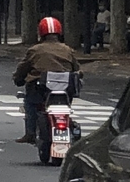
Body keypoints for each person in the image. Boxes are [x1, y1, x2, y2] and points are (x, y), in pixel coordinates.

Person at [13, 16, 89, 144]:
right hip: (65, 88)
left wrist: (18, 79)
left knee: (30, 104)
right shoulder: (67, 50)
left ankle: (30, 133)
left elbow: (23, 68)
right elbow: (77, 69)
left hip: (40, 89)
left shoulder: (35, 50)